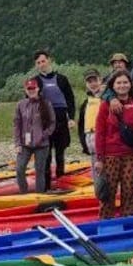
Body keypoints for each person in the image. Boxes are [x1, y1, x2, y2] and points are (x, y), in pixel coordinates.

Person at [93, 68, 133, 218]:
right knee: (108, 192)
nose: (122, 85)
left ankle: (129, 221)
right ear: (113, 85)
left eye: (125, 82)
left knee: (131, 190)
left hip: (131, 155)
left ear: (130, 85)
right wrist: (99, 158)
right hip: (110, 155)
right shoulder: (105, 106)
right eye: (119, 83)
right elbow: (100, 133)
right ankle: (105, 222)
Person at [32, 49, 77, 177]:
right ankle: (46, 184)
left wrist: (71, 117)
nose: (41, 64)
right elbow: (29, 102)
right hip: (45, 120)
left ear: (49, 60)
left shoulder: (62, 79)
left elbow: (70, 99)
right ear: (36, 65)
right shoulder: (35, 81)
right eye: (38, 62)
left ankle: (61, 178)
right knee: (46, 153)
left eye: (43, 61)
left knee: (60, 152)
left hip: (61, 118)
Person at [12, 77, 54, 194]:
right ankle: (24, 193)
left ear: (38, 89)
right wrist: (17, 143)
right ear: (25, 90)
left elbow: (52, 123)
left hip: (42, 145)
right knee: (20, 169)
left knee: (40, 171)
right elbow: (16, 125)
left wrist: (43, 135)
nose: (31, 90)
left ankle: (39, 194)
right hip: (25, 144)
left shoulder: (46, 104)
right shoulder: (20, 105)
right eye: (29, 88)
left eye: (33, 88)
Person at [75, 68, 103, 156]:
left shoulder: (108, 99)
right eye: (89, 82)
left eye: (95, 80)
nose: (93, 84)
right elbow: (81, 126)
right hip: (90, 138)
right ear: (86, 84)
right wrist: (84, 144)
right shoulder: (85, 103)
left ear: (100, 80)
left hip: (104, 140)